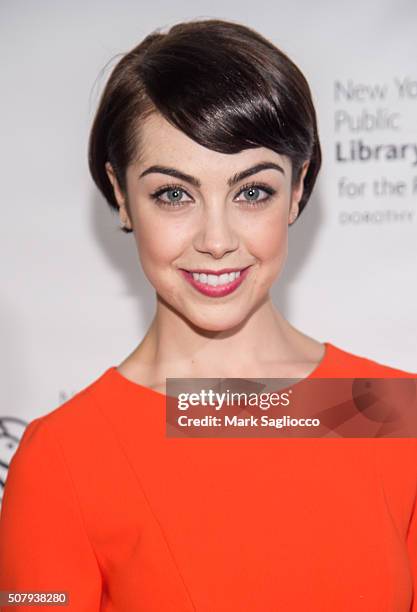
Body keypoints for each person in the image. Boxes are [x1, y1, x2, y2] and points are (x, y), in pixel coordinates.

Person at [0, 18, 416, 611]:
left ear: (297, 191)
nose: (216, 239)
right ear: (122, 196)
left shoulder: (389, 413)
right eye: (174, 194)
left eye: (252, 191)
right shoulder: (64, 458)